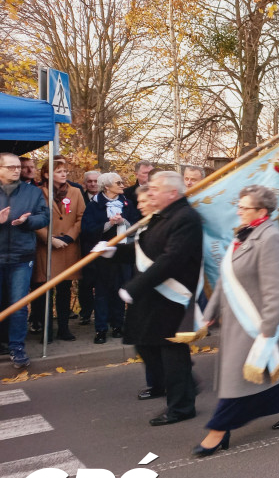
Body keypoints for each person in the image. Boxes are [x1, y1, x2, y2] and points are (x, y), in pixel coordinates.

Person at [191, 185, 279, 456]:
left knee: (237, 378)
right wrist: (209, 315)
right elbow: (225, 278)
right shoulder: (245, 234)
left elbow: (275, 290)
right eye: (239, 206)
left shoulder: (270, 238)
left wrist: (268, 332)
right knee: (269, 372)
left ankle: (218, 431)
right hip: (237, 320)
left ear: (261, 211)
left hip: (257, 323)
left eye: (244, 207)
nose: (239, 211)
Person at [94, 172, 204, 425]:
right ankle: (180, 386)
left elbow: (171, 259)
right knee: (143, 342)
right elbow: (143, 250)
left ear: (172, 193)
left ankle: (181, 407)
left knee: (170, 351)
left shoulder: (186, 218)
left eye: (155, 188)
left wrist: (133, 287)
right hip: (152, 293)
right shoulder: (160, 215)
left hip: (171, 295)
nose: (149, 192)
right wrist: (112, 251)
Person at [0, 152, 50, 369]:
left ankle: (17, 347)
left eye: (18, 166)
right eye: (10, 167)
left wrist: (28, 221)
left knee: (19, 304)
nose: (16, 170)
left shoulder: (32, 191)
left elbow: (44, 216)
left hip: (22, 256)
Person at [32, 157, 86, 341]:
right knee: (46, 290)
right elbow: (33, 219)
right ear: (47, 174)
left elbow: (81, 217)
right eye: (59, 171)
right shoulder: (38, 193)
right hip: (47, 247)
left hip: (68, 246)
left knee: (65, 289)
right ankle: (46, 330)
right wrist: (50, 239)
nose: (64, 174)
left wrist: (70, 236)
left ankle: (64, 328)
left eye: (65, 171)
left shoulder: (76, 192)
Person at [82, 172, 139, 343]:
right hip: (103, 255)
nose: (122, 185)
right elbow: (87, 230)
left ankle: (117, 325)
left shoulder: (127, 203)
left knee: (119, 290)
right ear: (107, 187)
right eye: (118, 183)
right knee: (101, 293)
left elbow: (137, 224)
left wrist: (124, 222)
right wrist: (109, 224)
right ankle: (100, 329)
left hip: (123, 253)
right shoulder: (94, 205)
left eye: (122, 182)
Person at [78, 169, 102, 327]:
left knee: (102, 283)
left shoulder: (107, 199)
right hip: (85, 245)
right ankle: (85, 313)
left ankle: (101, 314)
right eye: (90, 181)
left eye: (96, 181)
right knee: (85, 282)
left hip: (104, 246)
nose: (93, 184)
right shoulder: (79, 198)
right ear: (85, 183)